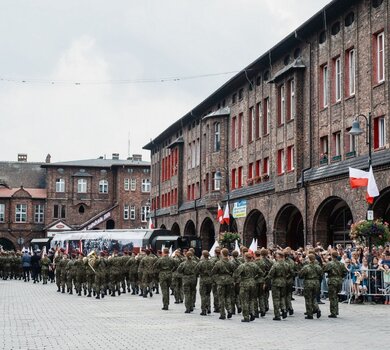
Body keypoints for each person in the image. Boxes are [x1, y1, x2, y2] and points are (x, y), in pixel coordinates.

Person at [234, 252, 259, 322]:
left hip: (244, 284)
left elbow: (236, 274)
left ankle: (246, 317)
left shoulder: (242, 266)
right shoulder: (255, 265)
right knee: (251, 299)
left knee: (244, 301)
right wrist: (253, 277)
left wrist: (238, 280)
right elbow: (261, 273)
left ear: (245, 257)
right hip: (253, 283)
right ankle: (252, 313)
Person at [323, 251, 348, 318]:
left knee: (332, 297)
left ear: (332, 256)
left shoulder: (330, 264)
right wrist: (341, 277)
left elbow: (324, 270)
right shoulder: (341, 264)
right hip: (339, 281)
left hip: (332, 280)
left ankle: (333, 312)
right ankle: (336, 311)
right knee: (336, 296)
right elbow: (345, 272)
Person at [211, 248, 234, 320]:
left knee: (221, 298)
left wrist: (216, 279)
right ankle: (229, 310)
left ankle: (222, 314)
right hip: (229, 281)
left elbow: (213, 272)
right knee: (228, 296)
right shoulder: (231, 262)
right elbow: (234, 271)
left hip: (221, 281)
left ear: (222, 254)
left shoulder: (219, 263)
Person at [299, 254, 323, 319]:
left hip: (308, 283)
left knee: (308, 298)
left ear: (309, 259)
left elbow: (300, 275)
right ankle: (317, 309)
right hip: (316, 282)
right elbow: (321, 274)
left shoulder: (306, 267)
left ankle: (310, 314)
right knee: (313, 297)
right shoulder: (318, 266)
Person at [267, 251, 287, 321]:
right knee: (282, 297)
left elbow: (270, 274)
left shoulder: (275, 265)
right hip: (284, 282)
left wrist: (266, 280)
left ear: (278, 257)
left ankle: (277, 315)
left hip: (276, 282)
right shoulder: (286, 264)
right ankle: (284, 309)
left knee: (276, 299)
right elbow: (291, 272)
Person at [195, 250, 214, 316]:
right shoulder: (212, 262)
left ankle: (203, 310)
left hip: (203, 279)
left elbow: (196, 270)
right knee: (208, 294)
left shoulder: (201, 263)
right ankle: (208, 307)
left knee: (203, 295)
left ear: (203, 255)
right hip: (210, 279)